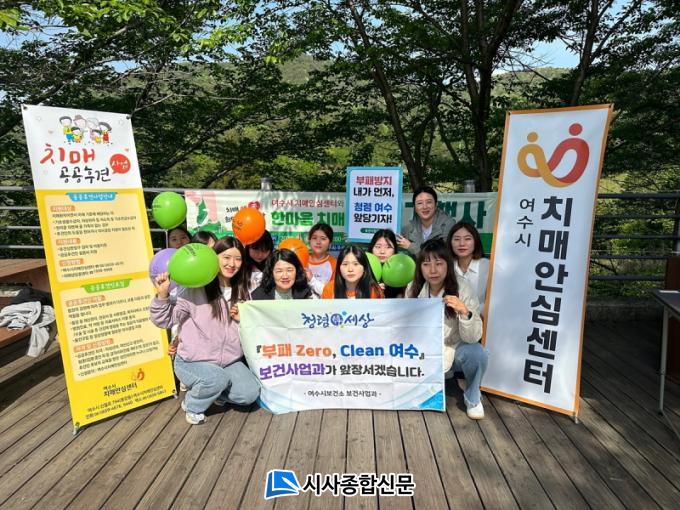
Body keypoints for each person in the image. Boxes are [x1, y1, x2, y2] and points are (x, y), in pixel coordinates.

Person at [150, 237, 259, 425]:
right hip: (192, 361)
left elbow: (251, 327)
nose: (232, 264)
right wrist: (162, 295)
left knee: (249, 393)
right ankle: (192, 405)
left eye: (238, 259)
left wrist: (244, 319)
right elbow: (165, 320)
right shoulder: (194, 288)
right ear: (213, 258)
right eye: (226, 257)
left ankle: (215, 393)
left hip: (229, 361)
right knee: (216, 379)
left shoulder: (243, 290)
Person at [406, 238, 486, 420]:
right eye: (426, 264)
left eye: (439, 263)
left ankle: (473, 398)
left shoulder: (463, 289)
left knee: (477, 353)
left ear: (448, 265)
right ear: (420, 268)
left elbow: (473, 338)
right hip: (424, 350)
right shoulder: (413, 288)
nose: (433, 270)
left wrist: (464, 312)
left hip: (454, 348)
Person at [448, 221, 490, 317]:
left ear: (476, 241)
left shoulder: (488, 267)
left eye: (467, 239)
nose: (462, 244)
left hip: (482, 321)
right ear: (450, 243)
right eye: (456, 239)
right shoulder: (446, 267)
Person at [398, 186, 455, 256]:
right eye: (419, 203)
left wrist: (410, 246)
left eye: (429, 202)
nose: (424, 207)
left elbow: (437, 257)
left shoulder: (448, 225)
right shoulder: (408, 229)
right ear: (414, 207)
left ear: (436, 204)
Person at [368, 229, 404, 298]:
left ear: (395, 250)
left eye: (388, 247)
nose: (382, 251)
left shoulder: (400, 272)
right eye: (378, 247)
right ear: (371, 248)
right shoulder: (362, 269)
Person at [307, 223, 336, 296]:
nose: (318, 242)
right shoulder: (301, 259)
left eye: (323, 238)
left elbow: (332, 293)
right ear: (309, 240)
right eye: (314, 238)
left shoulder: (335, 264)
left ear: (330, 243)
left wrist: (311, 279)